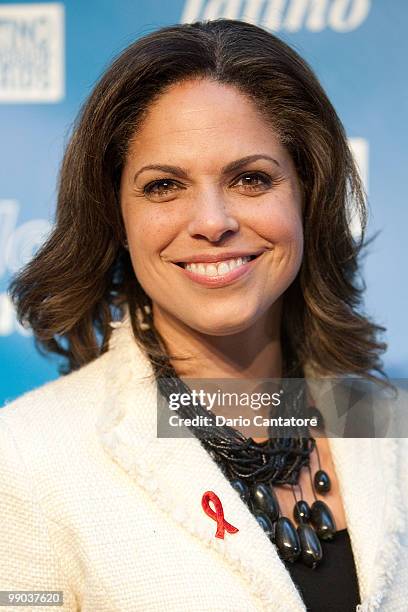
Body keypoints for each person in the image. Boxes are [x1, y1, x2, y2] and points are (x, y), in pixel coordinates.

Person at [0, 18, 407, 612]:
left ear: (307, 196)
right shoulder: (28, 457)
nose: (212, 221)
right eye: (165, 186)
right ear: (116, 217)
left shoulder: (384, 423)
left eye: (251, 179)